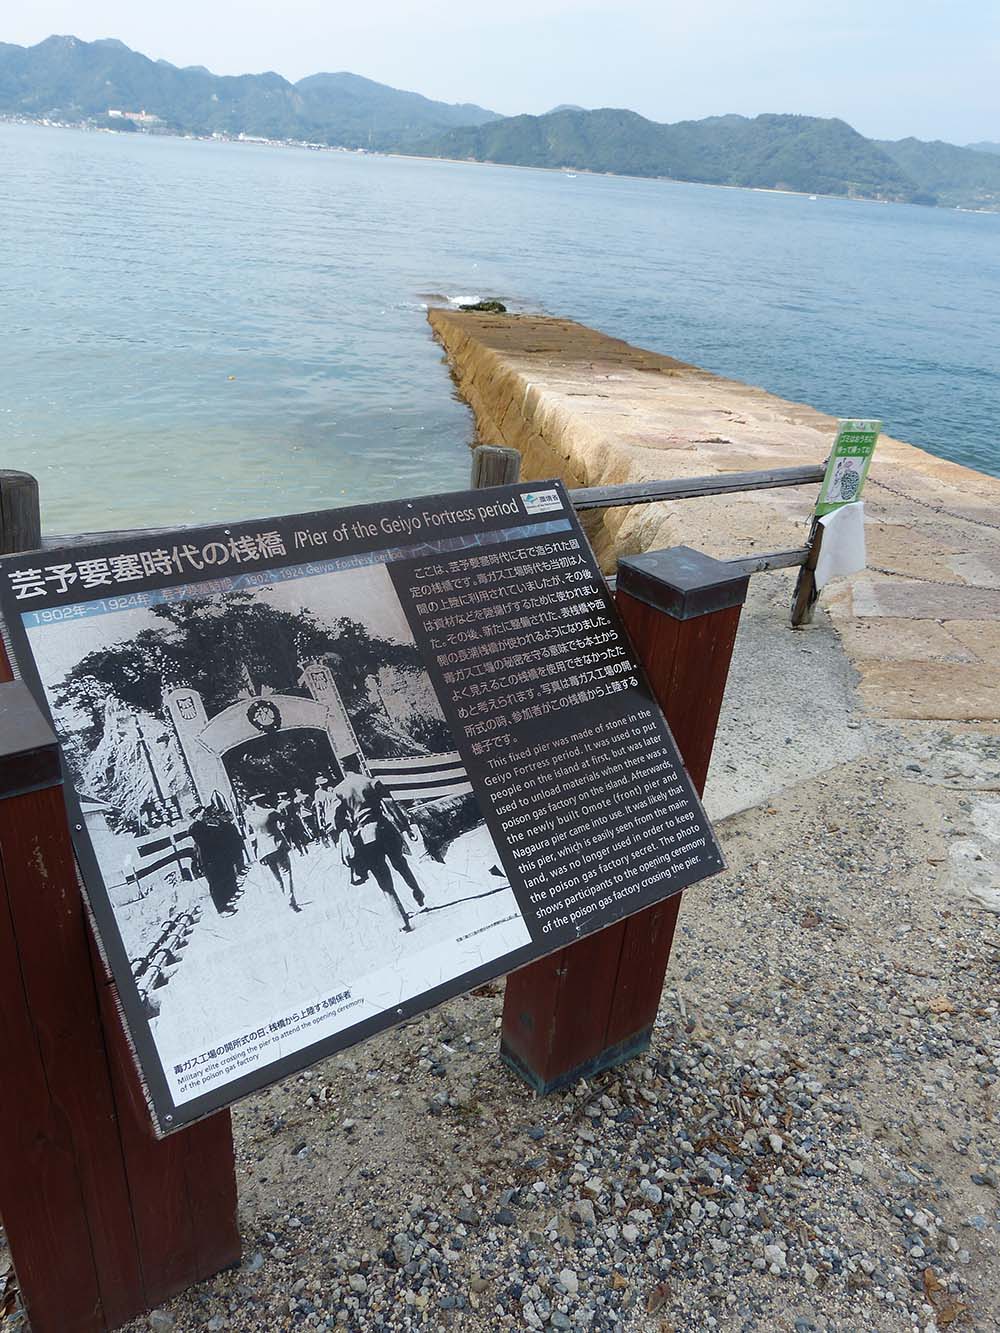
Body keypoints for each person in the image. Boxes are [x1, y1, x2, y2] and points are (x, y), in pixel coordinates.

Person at [332, 755, 424, 932]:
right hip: (384, 828)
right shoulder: (372, 782)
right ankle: (417, 891)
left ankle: (402, 921)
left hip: (365, 836)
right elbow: (392, 806)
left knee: (383, 878)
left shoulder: (339, 790)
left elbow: (338, 821)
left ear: (343, 768)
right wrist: (406, 828)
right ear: (358, 764)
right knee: (400, 864)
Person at [245, 793, 301, 912]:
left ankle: (286, 897)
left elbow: (251, 836)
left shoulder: (250, 818)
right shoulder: (271, 812)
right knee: (286, 873)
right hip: (277, 846)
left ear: (253, 803)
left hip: (264, 850)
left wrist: (257, 853)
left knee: (277, 876)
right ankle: (290, 900)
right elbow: (284, 818)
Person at [188, 804, 246, 916]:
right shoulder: (195, 827)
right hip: (208, 861)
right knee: (215, 885)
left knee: (222, 880)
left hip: (216, 858)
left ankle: (226, 903)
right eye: (201, 812)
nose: (205, 814)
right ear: (195, 815)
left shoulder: (206, 825)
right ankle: (221, 909)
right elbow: (204, 840)